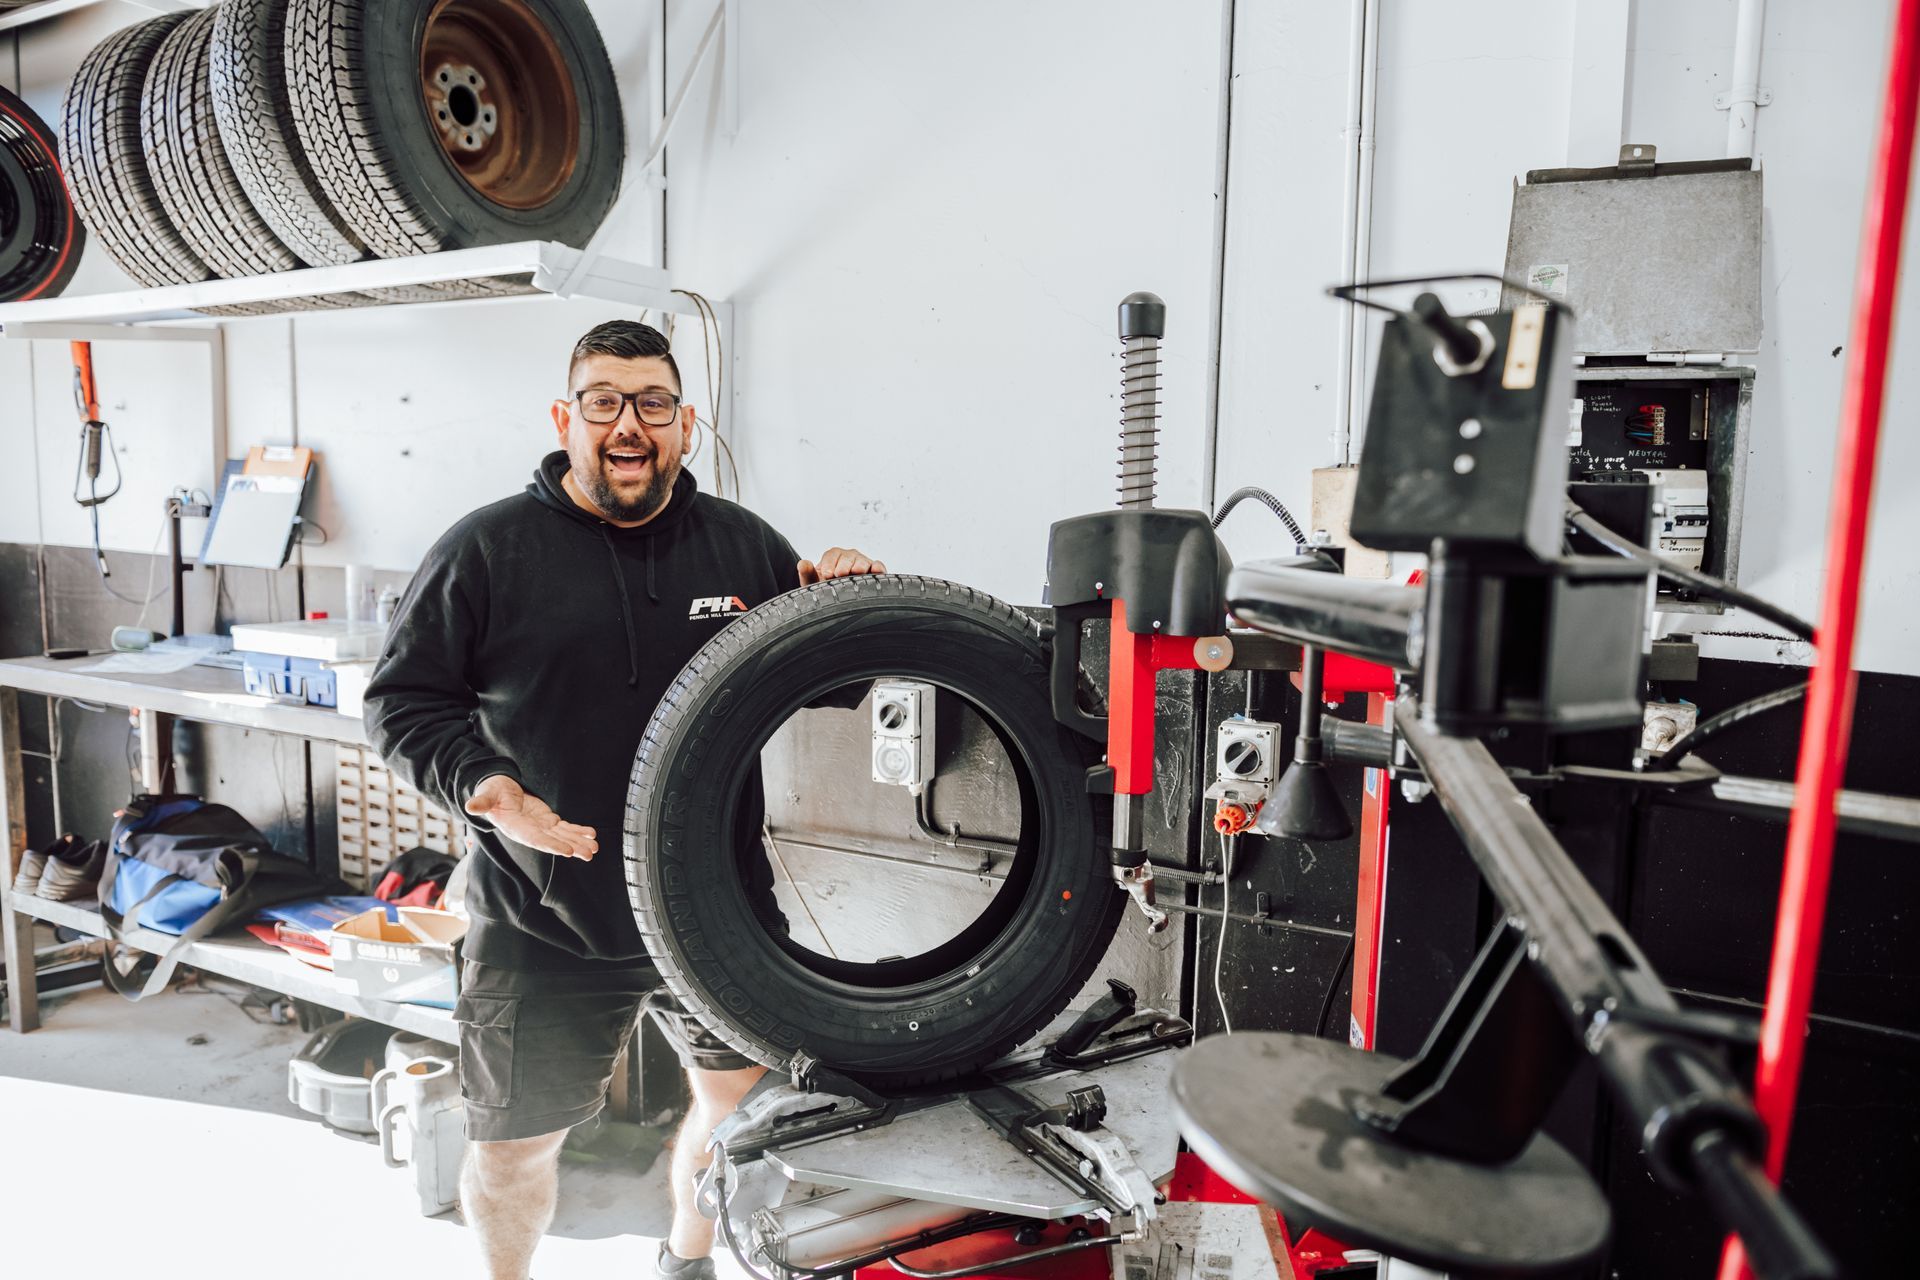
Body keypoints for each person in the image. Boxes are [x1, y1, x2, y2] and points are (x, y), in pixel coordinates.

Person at [364, 319, 885, 1280]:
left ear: (684, 423)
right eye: (604, 402)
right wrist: (491, 794)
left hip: (714, 907)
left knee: (734, 1117)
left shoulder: (743, 547)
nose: (628, 425)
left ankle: (683, 1263)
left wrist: (843, 606)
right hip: (542, 909)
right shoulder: (486, 551)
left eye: (652, 404)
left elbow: (830, 682)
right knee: (514, 1146)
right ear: (568, 417)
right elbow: (402, 703)